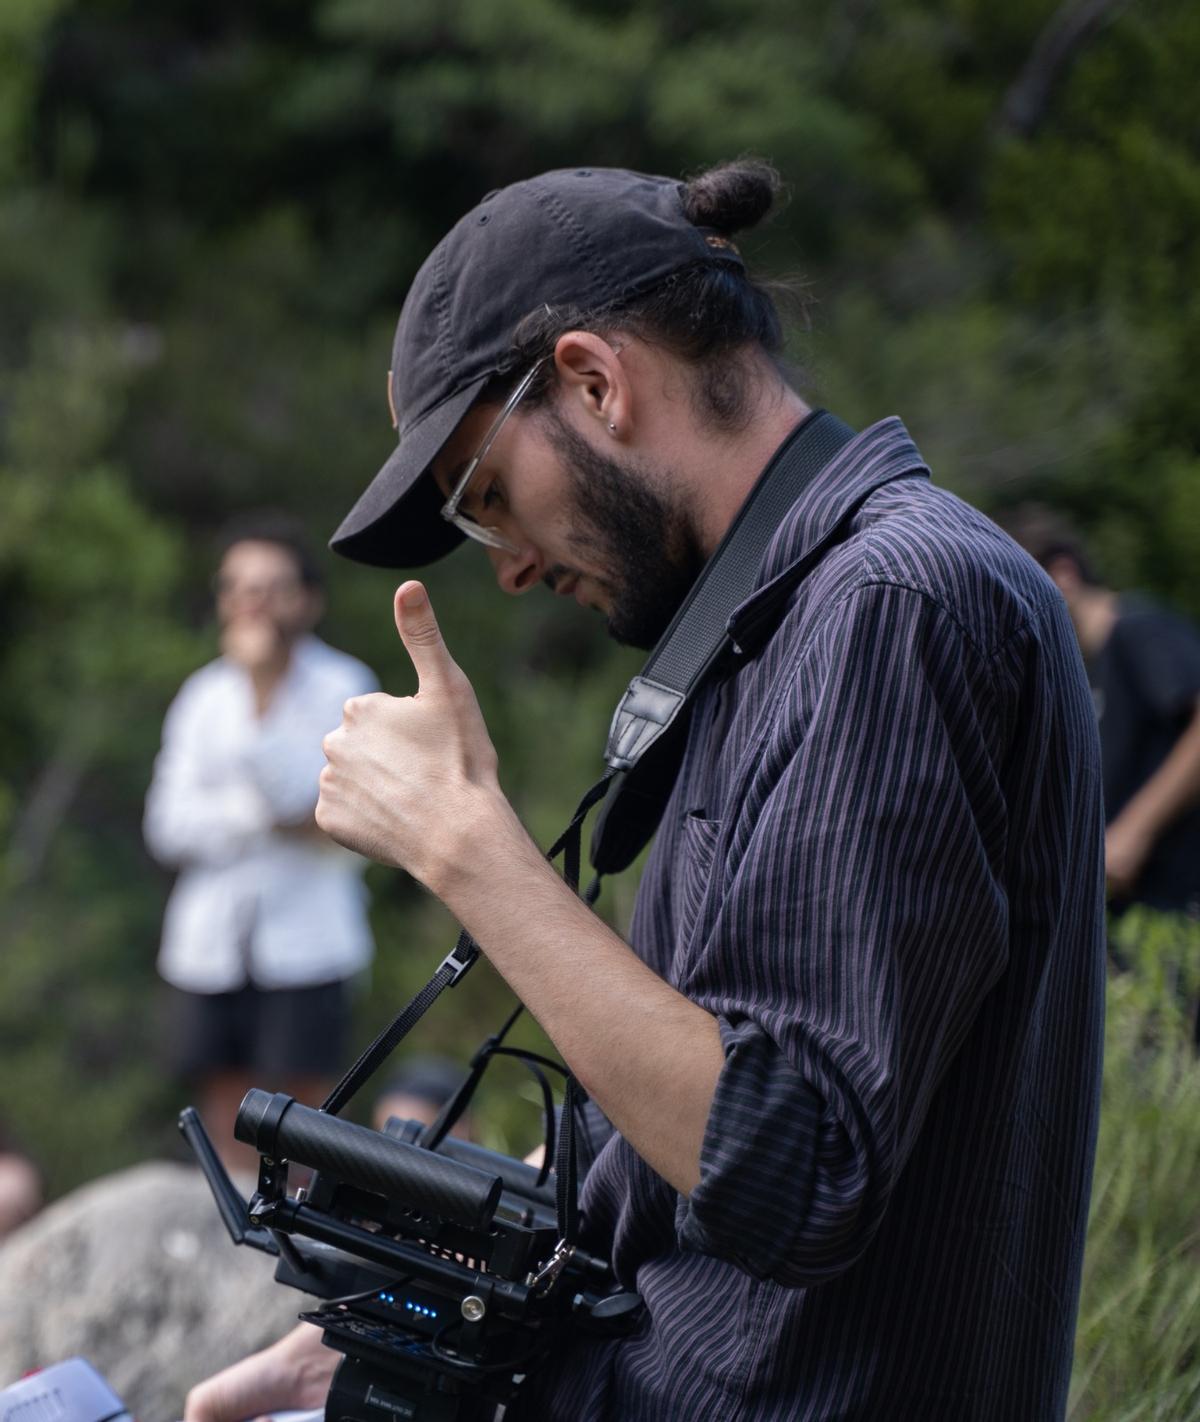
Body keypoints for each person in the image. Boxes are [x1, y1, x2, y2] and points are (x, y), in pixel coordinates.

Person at [185, 163, 1105, 1421]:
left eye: (490, 498)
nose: (505, 568)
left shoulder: (896, 609)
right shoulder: (774, 629)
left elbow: (802, 1169)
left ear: (596, 382)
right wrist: (396, 1327)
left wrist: (469, 846)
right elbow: (693, 1129)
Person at [144, 513, 377, 1176]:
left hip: (309, 941)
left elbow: (330, 809)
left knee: (303, 1117)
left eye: (271, 587)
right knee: (223, 1106)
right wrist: (258, 819)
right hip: (210, 944)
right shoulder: (202, 696)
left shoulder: (344, 686)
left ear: (307, 599)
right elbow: (168, 824)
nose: (253, 602)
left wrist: (262, 690)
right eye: (239, 586)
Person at [1007, 507, 1200, 916]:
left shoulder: (1139, 630)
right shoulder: (1085, 668)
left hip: (1182, 904)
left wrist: (1133, 833)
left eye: (1021, 592)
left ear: (1063, 574)